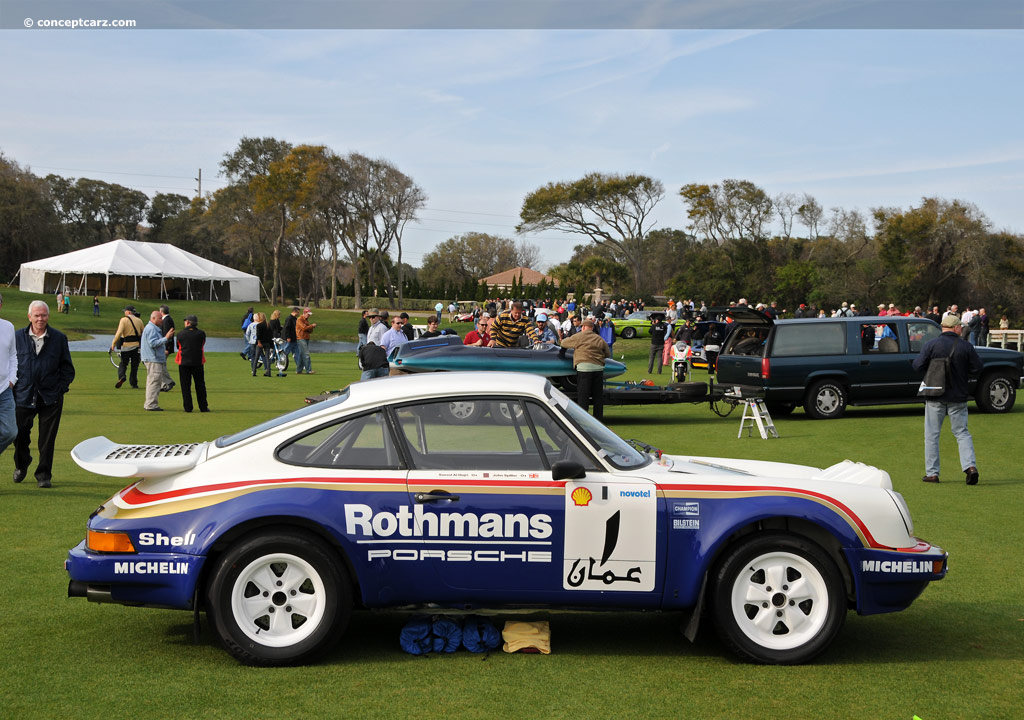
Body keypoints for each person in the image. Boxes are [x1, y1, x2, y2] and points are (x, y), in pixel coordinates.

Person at [912, 315, 983, 485]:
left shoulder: (931, 345)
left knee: (932, 435)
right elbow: (977, 368)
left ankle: (932, 473)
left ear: (943, 327)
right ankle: (970, 467)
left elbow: (917, 366)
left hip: (934, 394)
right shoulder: (965, 346)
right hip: (958, 396)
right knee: (962, 433)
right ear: (956, 328)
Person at [13, 301, 75, 487]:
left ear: (48, 316)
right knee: (20, 435)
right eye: (37, 315)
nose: (40, 319)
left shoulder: (59, 338)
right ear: (29, 316)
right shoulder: (17, 337)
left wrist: (60, 388)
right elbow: (9, 364)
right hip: (23, 394)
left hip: (51, 397)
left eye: (44, 315)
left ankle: (43, 475)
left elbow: (67, 368)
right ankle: (22, 463)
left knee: (47, 439)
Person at [559, 318, 611, 421]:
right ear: (592, 328)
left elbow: (564, 343)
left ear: (583, 327)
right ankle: (598, 419)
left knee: (583, 397)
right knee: (597, 397)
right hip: (598, 369)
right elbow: (607, 354)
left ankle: (583, 420)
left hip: (584, 369)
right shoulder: (599, 339)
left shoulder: (579, 336)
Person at [141, 310, 175, 411]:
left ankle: (149, 403)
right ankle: (151, 405)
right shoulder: (151, 329)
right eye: (160, 318)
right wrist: (166, 338)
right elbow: (153, 343)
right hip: (153, 359)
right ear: (153, 318)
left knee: (153, 381)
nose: (162, 321)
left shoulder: (152, 328)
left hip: (153, 358)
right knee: (154, 382)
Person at [175, 314, 208, 413]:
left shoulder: (180, 334)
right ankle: (203, 406)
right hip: (198, 362)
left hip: (184, 362)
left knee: (185, 386)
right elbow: (202, 344)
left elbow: (178, 346)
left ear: (188, 323)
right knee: (200, 385)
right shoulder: (201, 333)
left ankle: (188, 407)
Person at [0, 294, 18, 458]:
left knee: (10, 432)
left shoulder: (8, 327)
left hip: (5, 389)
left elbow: (13, 355)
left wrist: (12, 379)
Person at [111, 305, 144, 389]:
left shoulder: (124, 320)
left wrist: (113, 343)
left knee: (123, 363)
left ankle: (122, 376)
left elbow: (119, 333)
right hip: (136, 346)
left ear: (128, 312)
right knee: (134, 366)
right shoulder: (139, 321)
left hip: (126, 346)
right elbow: (143, 333)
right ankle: (134, 383)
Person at [250, 313, 274, 377]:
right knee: (267, 358)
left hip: (261, 343)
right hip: (267, 343)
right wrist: (272, 345)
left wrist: (259, 342)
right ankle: (268, 371)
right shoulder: (268, 325)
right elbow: (271, 336)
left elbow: (258, 335)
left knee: (256, 357)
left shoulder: (259, 325)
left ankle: (254, 371)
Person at [159, 305, 176, 392]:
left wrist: (167, 348)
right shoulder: (168, 319)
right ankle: (163, 384)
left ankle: (168, 382)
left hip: (165, 347)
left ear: (161, 312)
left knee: (161, 365)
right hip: (166, 347)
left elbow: (167, 335)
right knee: (161, 365)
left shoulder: (166, 320)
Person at [295, 307, 316, 374]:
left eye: (309, 314)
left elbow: (309, 330)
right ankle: (308, 370)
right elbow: (304, 328)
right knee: (306, 354)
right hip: (301, 338)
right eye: (308, 314)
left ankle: (298, 370)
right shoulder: (299, 319)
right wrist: (311, 326)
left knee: (302, 355)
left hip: (306, 338)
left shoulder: (306, 320)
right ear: (304, 313)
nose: (309, 315)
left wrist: (311, 327)